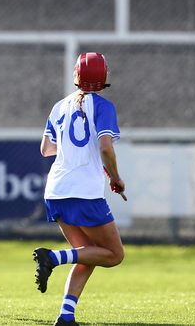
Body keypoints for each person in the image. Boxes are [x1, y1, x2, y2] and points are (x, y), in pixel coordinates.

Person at [34, 53, 127, 326]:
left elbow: (46, 149)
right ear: (104, 77)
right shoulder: (104, 106)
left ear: (76, 75)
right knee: (114, 255)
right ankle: (53, 257)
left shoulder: (59, 106)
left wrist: (71, 150)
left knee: (87, 253)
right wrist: (116, 176)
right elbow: (106, 146)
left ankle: (66, 315)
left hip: (55, 190)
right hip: (84, 191)